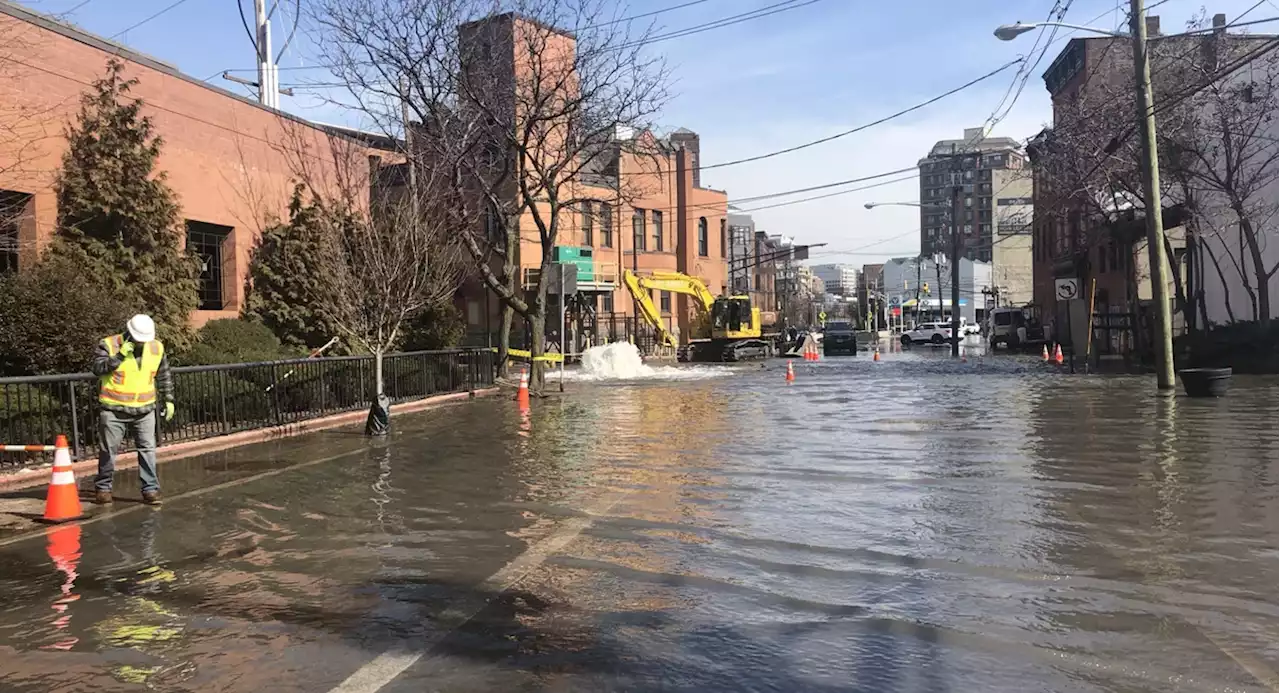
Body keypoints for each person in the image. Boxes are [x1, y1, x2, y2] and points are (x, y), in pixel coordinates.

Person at [89, 314, 174, 505]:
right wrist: (118, 357)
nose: (142, 343)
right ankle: (103, 488)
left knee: (147, 450)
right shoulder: (109, 345)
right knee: (108, 451)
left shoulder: (156, 347)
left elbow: (164, 374)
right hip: (113, 410)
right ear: (129, 332)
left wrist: (169, 399)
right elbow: (97, 368)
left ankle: (150, 489)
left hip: (144, 410)